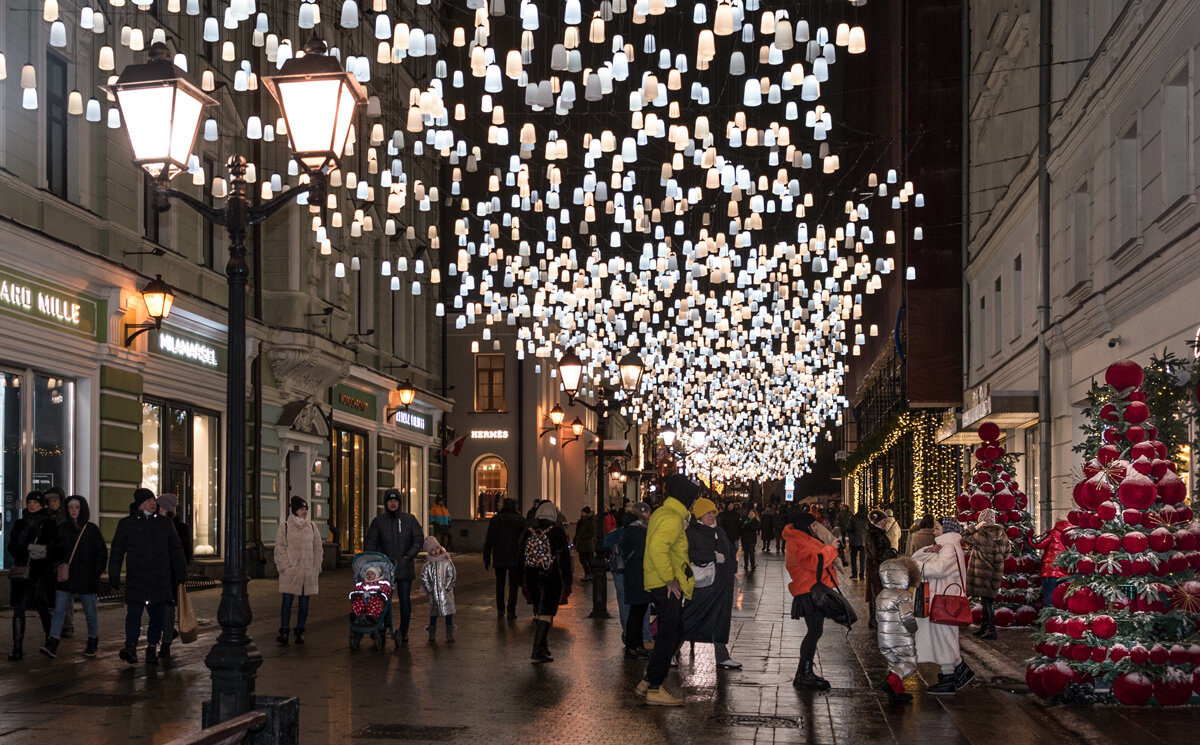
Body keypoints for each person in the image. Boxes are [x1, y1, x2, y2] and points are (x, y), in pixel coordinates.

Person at [635, 474, 698, 706]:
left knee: (675, 630)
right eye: (692, 498)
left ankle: (649, 680)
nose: (693, 503)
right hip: (666, 585)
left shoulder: (665, 513)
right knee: (670, 634)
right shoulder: (672, 517)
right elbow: (657, 548)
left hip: (660, 581)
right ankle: (655, 686)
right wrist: (670, 579)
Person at [109, 488, 187, 665]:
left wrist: (181, 572)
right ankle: (130, 647)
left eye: (153, 500)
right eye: (148, 500)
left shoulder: (164, 523)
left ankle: (152, 647)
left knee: (157, 616)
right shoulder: (126, 524)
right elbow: (117, 551)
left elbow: (176, 549)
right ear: (139, 504)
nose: (153, 503)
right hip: (137, 578)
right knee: (133, 615)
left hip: (159, 579)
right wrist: (114, 573)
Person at [913, 517, 974, 694]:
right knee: (944, 638)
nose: (934, 531)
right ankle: (956, 672)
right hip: (944, 600)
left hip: (944, 601)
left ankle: (954, 675)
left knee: (944, 638)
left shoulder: (948, 547)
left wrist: (916, 566)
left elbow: (939, 569)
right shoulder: (947, 546)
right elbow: (920, 556)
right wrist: (928, 550)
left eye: (937, 528)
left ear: (946, 530)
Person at [41, 496, 106, 659]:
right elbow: (55, 550)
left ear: (82, 509)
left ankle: (92, 640)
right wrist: (58, 564)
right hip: (67, 577)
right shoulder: (62, 528)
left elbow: (101, 553)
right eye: (70, 508)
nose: (74, 511)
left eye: (77, 507)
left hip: (87, 577)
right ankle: (53, 642)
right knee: (59, 611)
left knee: (90, 612)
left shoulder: (91, 529)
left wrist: (95, 572)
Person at [783, 511, 839, 689]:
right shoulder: (797, 542)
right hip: (808, 592)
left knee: (815, 631)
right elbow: (816, 562)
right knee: (814, 631)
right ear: (805, 526)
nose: (815, 528)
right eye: (813, 525)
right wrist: (832, 548)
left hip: (813, 589)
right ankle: (804, 673)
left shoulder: (803, 539)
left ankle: (805, 671)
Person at [683, 497, 741, 669]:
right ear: (699, 515)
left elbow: (729, 551)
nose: (712, 516)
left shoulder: (720, 531)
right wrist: (711, 557)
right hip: (704, 584)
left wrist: (731, 566)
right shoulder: (692, 532)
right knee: (692, 616)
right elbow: (689, 554)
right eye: (708, 513)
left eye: (714, 512)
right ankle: (671, 650)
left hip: (723, 584)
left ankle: (722, 655)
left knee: (721, 619)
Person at [365, 489, 424, 643]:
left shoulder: (409, 520)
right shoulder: (379, 522)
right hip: (384, 569)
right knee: (382, 599)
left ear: (399, 503)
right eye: (390, 501)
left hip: (404, 567)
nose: (393, 503)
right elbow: (371, 542)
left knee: (405, 599)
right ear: (385, 503)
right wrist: (376, 560)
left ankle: (404, 630)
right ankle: (383, 626)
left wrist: (408, 556)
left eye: (396, 501)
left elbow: (418, 539)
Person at [7, 492, 59, 660]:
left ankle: (50, 642)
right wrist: (25, 550)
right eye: (29, 502)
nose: (31, 505)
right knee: (18, 609)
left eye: (35, 503)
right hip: (22, 572)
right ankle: (17, 647)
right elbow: (12, 545)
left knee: (43, 609)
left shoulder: (49, 524)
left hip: (40, 574)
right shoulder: (20, 523)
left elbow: (55, 547)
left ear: (42, 505)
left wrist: (38, 551)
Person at [520, 500, 573, 663]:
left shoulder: (528, 530)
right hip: (550, 576)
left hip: (531, 575)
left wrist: (520, 578)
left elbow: (520, 555)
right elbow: (564, 558)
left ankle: (543, 647)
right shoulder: (556, 531)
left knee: (539, 611)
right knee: (547, 612)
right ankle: (537, 651)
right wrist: (567, 579)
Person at [274, 496, 322, 646]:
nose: (304, 512)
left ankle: (300, 631)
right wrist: (286, 567)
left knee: (304, 603)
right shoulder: (285, 527)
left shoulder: (313, 527)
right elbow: (280, 548)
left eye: (306, 509)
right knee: (287, 601)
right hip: (291, 572)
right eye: (301, 509)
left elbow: (318, 549)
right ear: (295, 510)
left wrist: (316, 568)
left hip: (308, 572)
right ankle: (284, 631)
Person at [875, 557, 920, 705]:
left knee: (893, 663)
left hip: (884, 638)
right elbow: (907, 617)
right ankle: (890, 683)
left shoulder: (882, 594)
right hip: (900, 637)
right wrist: (914, 629)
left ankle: (897, 692)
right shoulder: (902, 596)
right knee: (909, 664)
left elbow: (877, 617)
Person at [964, 508, 1012, 640]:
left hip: (982, 572)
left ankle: (991, 630)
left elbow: (965, 537)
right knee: (987, 601)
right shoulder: (1001, 533)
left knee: (986, 603)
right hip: (994, 572)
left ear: (982, 521)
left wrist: (975, 527)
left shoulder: (981, 533)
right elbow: (1007, 553)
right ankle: (985, 628)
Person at [155, 493, 192, 657]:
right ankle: (167, 633)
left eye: (159, 506)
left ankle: (166, 643)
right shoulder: (155, 524)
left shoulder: (179, 528)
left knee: (168, 607)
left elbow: (185, 552)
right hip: (159, 573)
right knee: (157, 607)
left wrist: (180, 571)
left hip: (171, 574)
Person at [618, 501, 653, 658]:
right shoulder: (636, 530)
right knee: (636, 612)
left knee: (640, 610)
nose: (649, 515)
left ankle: (637, 645)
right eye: (647, 513)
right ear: (641, 514)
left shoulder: (638, 528)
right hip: (636, 575)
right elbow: (641, 552)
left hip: (639, 574)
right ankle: (632, 647)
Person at [483, 498, 526, 620]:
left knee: (499, 584)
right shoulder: (520, 520)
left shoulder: (495, 519)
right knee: (513, 586)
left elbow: (489, 540)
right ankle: (511, 611)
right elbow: (524, 540)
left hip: (499, 556)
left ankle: (500, 609)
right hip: (515, 556)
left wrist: (486, 557)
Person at [865, 509, 898, 629]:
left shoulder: (877, 532)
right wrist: (892, 553)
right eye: (884, 520)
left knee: (876, 592)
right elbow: (878, 553)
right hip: (876, 569)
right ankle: (874, 619)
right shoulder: (875, 534)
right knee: (876, 593)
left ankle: (875, 618)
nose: (885, 522)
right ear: (878, 521)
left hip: (877, 568)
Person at [420, 536, 457, 642]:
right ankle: (432, 633)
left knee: (448, 613)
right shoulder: (428, 566)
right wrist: (429, 589)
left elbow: (452, 574)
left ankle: (449, 633)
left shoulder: (447, 562)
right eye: (432, 550)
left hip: (446, 594)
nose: (435, 551)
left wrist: (447, 587)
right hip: (434, 595)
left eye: (436, 548)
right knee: (433, 614)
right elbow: (424, 578)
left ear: (439, 547)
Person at [1030, 518, 1071, 604]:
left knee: (1049, 598)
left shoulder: (1052, 533)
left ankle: (1049, 616)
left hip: (1050, 571)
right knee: (1063, 599)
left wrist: (1030, 538)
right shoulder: (1072, 534)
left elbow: (1038, 544)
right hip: (1066, 571)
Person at [573, 506, 597, 582]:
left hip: (588, 544)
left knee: (589, 559)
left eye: (582, 512)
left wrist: (582, 537)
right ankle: (588, 573)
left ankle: (591, 574)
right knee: (582, 559)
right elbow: (578, 531)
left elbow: (592, 532)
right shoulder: (582, 521)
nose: (581, 513)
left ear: (586, 513)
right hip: (582, 544)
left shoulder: (591, 521)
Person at [847, 506, 869, 579]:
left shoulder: (853, 518)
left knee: (853, 558)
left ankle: (854, 573)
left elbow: (849, 528)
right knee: (863, 559)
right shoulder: (867, 519)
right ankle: (862, 575)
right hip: (864, 541)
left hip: (854, 540)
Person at [739, 508, 760, 573]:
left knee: (751, 552)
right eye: (750, 513)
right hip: (745, 538)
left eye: (752, 513)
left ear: (755, 514)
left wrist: (747, 525)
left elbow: (755, 528)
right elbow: (742, 528)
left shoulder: (756, 521)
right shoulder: (745, 520)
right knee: (745, 552)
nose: (751, 514)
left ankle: (752, 565)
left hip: (751, 539)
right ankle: (746, 565)